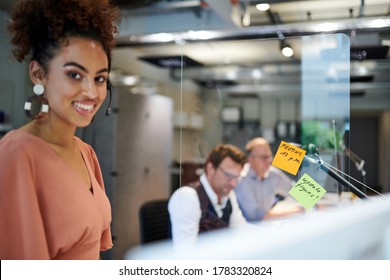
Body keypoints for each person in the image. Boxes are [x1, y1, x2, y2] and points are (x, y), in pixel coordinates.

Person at [0, 0, 120, 259]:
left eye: (99, 78)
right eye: (75, 75)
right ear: (38, 73)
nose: (90, 92)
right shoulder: (17, 154)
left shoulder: (86, 153)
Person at [168, 144, 248, 248]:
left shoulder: (228, 194)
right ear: (210, 169)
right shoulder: (187, 197)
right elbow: (185, 254)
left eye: (237, 177)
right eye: (228, 175)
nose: (233, 183)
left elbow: (241, 231)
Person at [234, 137, 297, 222]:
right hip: (249, 230)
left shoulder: (272, 173)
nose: (268, 161)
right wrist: (295, 211)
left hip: (268, 226)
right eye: (264, 157)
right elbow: (255, 216)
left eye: (269, 157)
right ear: (250, 159)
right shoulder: (242, 179)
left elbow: (295, 190)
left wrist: (319, 200)